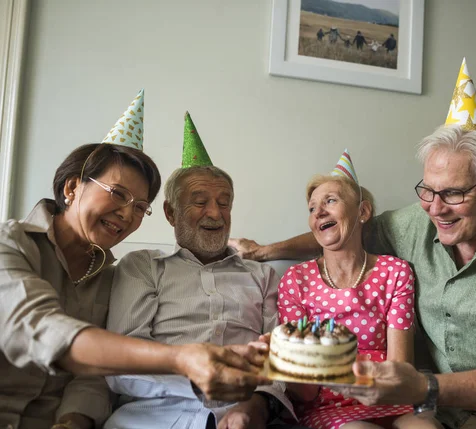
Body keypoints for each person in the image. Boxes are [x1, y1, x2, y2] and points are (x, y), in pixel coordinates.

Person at [230, 59, 476, 429]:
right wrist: (265, 251)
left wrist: (425, 386)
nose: (435, 209)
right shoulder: (410, 224)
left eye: (454, 193)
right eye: (428, 190)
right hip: (453, 403)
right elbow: (339, 233)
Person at [0, 94, 268, 429]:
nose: (127, 214)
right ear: (72, 187)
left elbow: (92, 376)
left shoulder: (106, 276)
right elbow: (40, 328)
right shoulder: (9, 243)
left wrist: (73, 421)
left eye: (140, 206)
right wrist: (182, 359)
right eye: (117, 194)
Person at [103, 113, 303, 429]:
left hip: (244, 416)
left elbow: (278, 361)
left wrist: (252, 408)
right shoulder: (143, 266)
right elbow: (122, 363)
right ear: (171, 212)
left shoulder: (262, 277)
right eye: (199, 202)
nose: (215, 213)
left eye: (224, 203)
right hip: (151, 418)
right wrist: (204, 380)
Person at [275, 150, 441, 429]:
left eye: (330, 201)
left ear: (362, 212)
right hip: (327, 408)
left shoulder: (395, 272)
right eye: (312, 208)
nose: (319, 213)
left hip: (393, 399)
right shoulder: (296, 280)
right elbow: (304, 389)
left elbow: (400, 368)